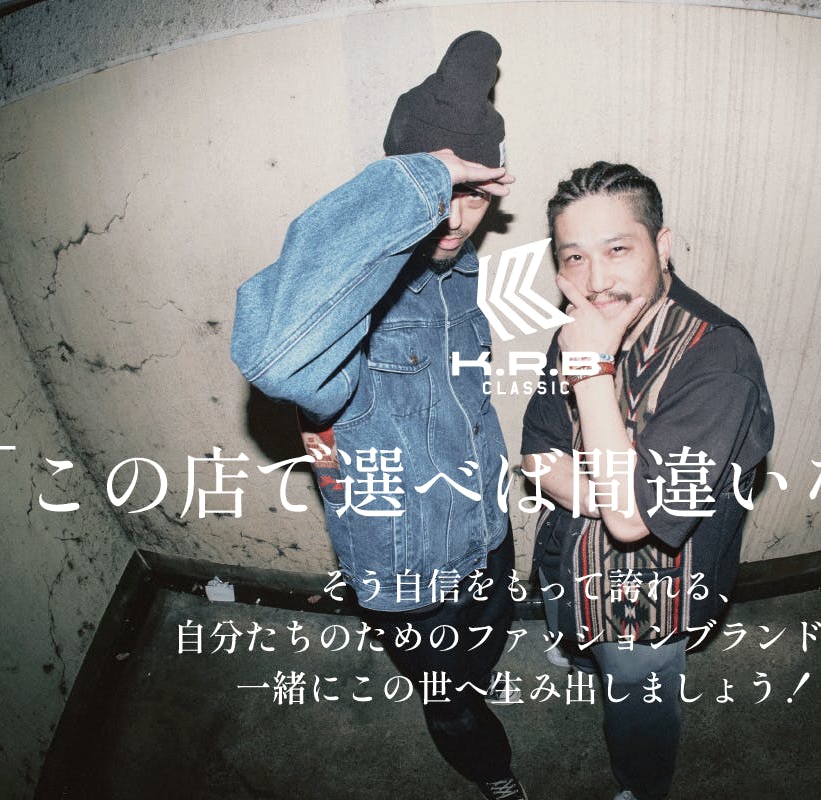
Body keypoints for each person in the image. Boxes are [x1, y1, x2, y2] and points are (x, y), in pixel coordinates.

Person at [230, 32, 526, 800]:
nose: (455, 218)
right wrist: (428, 178)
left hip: (485, 536)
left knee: (482, 652)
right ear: (405, 183)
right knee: (451, 701)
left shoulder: (459, 272)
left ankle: (474, 677)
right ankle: (491, 770)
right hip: (409, 571)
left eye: (473, 195)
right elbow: (276, 357)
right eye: (441, 191)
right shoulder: (346, 295)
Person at [521, 162, 774, 800]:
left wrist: (590, 370)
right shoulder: (581, 325)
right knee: (572, 628)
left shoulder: (718, 358)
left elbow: (634, 519)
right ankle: (579, 648)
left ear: (662, 246)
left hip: (656, 594)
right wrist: (604, 498)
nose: (595, 281)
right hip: (569, 552)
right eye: (574, 257)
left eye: (617, 250)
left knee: (640, 704)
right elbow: (537, 454)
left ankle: (643, 785)